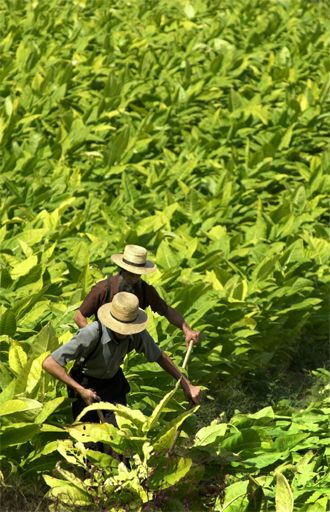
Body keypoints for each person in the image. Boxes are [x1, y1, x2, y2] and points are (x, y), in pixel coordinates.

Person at [42, 292, 201, 426]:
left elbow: (159, 356)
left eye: (128, 327)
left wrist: (187, 385)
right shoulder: (91, 333)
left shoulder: (136, 333)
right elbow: (50, 363)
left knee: (119, 436)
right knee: (91, 444)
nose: (125, 331)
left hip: (113, 385)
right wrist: (80, 390)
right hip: (86, 384)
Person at [74, 244, 200, 346]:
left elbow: (166, 310)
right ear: (123, 269)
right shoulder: (103, 289)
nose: (134, 277)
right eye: (131, 273)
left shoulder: (145, 290)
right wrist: (95, 338)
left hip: (129, 343)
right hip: (103, 341)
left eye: (138, 273)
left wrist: (187, 330)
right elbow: (79, 316)